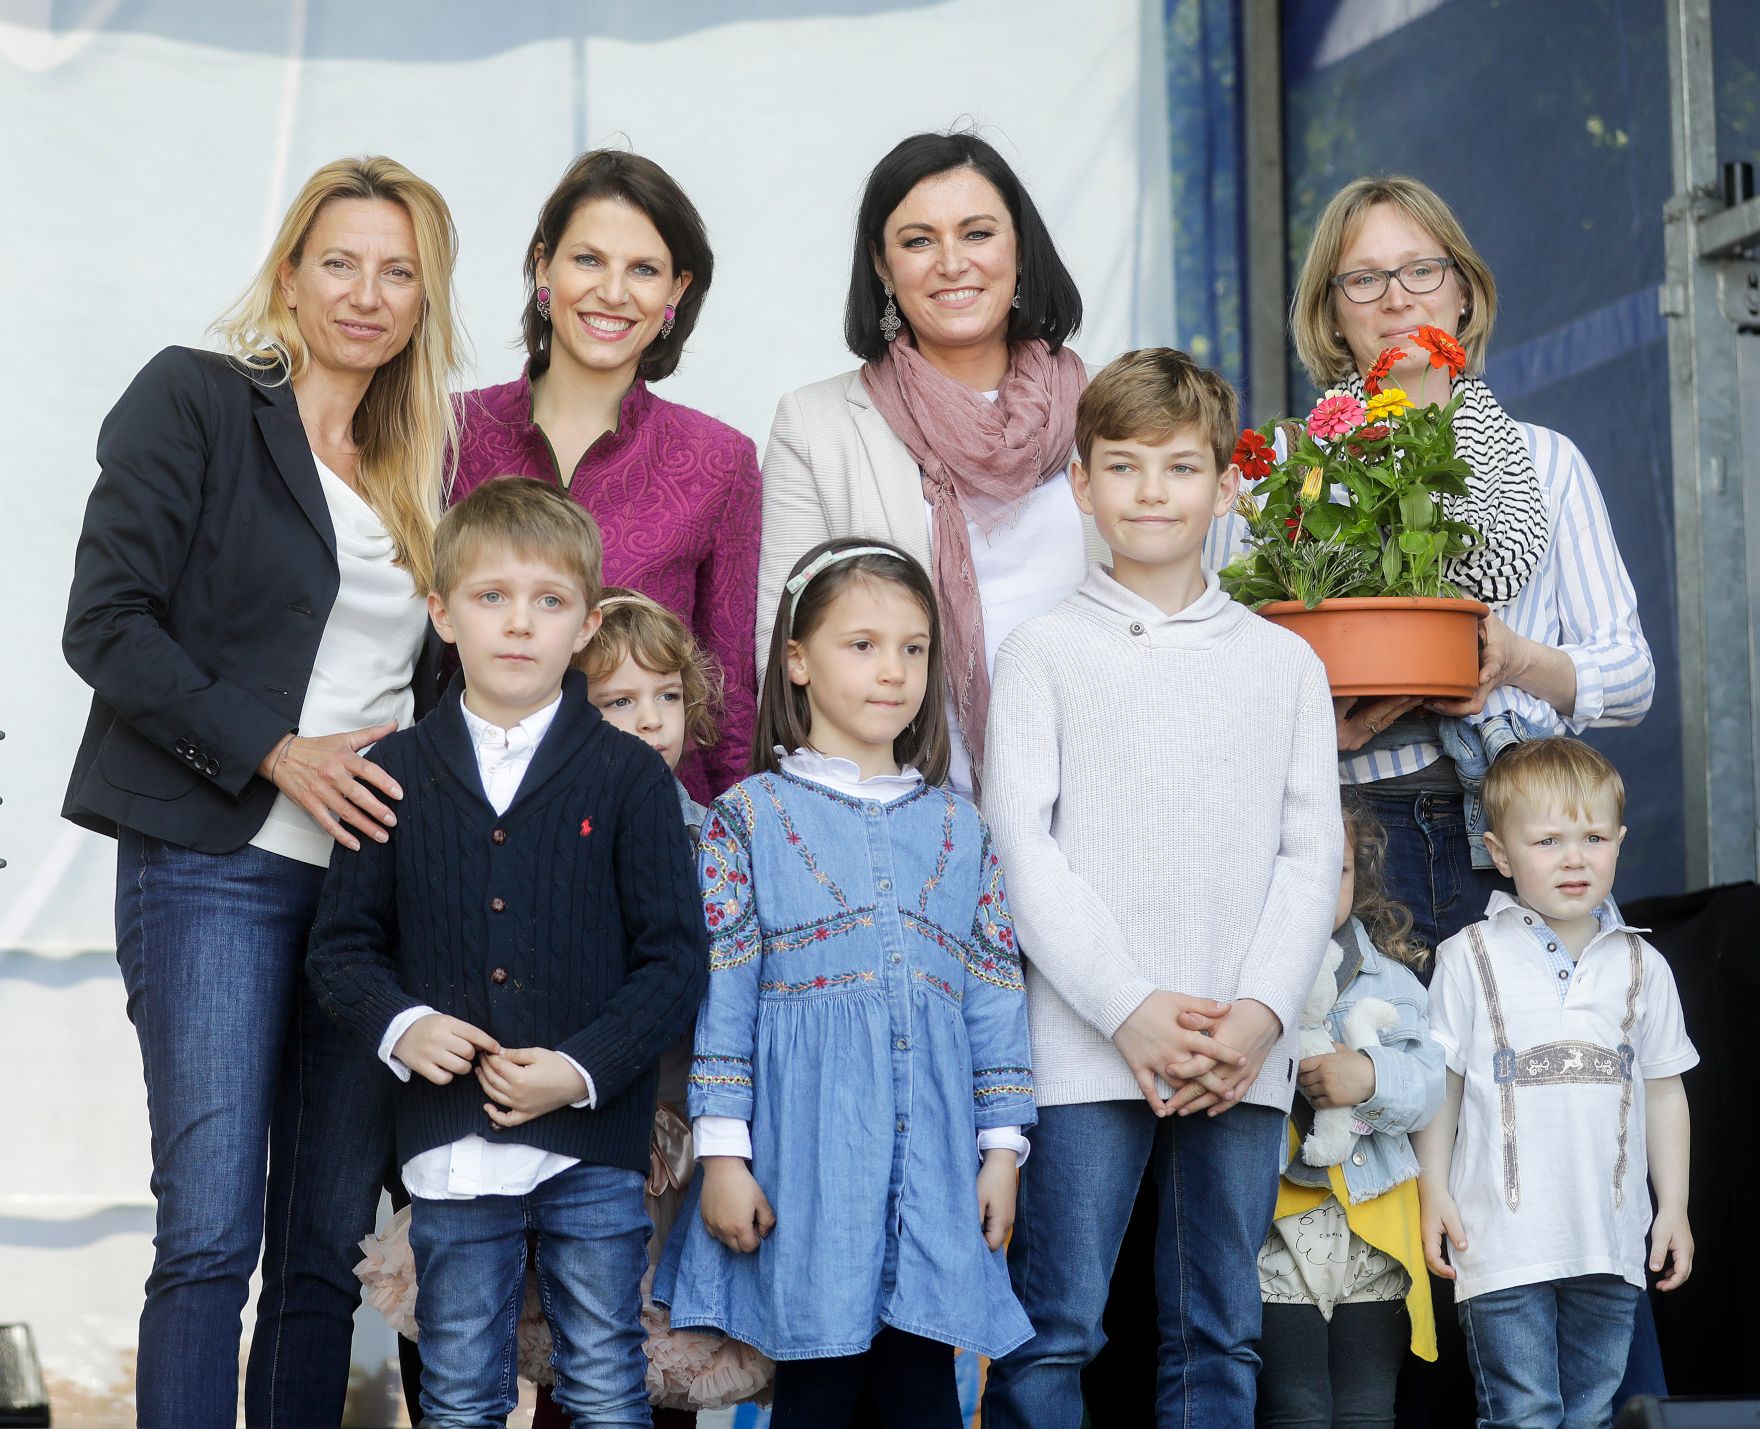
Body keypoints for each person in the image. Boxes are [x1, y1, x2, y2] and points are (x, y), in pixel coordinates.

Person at [61, 155, 464, 1429]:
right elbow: (107, 625)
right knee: (211, 1236)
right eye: (339, 261)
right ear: (288, 275)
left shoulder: (422, 465)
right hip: (212, 867)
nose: (367, 292)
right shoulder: (196, 400)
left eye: (398, 271)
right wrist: (278, 749)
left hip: (364, 894)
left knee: (321, 1255)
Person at [980, 349, 1342, 1428]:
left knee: (1217, 1329)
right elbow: (1020, 849)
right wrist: (1127, 1008)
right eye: (1123, 466)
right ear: (1080, 485)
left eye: (1179, 468)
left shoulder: (1283, 665)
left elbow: (1307, 853)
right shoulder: (1040, 653)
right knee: (1057, 1328)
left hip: (1242, 1046)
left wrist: (1259, 1016)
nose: (1150, 491)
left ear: (1225, 487)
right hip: (1088, 1044)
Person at [306, 477, 709, 1427]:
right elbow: (342, 950)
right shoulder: (393, 775)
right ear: (442, 612)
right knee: (458, 1390)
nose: (519, 624)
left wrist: (578, 1071)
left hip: (592, 1144)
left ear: (586, 622)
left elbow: (674, 961)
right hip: (450, 1151)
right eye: (492, 597)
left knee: (608, 1381)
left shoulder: (628, 778)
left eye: (549, 601)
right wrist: (403, 1026)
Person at [1206, 174, 1653, 955]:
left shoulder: (1548, 462)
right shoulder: (1281, 469)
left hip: (1524, 828)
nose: (1397, 298)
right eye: (1364, 279)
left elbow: (1631, 676)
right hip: (1346, 836)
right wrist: (1311, 721)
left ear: (1464, 295)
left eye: (1422, 269)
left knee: (1523, 1071)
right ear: (1332, 316)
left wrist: (1514, 659)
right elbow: (1211, 665)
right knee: (1372, 1071)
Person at [656, 537, 1037, 1428]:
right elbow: (728, 998)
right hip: (806, 1172)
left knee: (923, 1400)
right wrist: (724, 1157)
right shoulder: (748, 819)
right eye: (861, 644)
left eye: (913, 648)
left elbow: (993, 994)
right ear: (797, 659)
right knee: (818, 1401)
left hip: (939, 1174)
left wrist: (1001, 1150)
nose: (893, 670)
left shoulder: (960, 828)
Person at [758, 129, 1103, 798]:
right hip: (907, 814)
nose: (952, 263)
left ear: (1020, 247)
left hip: (1103, 801)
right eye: (918, 241)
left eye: (977, 233)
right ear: (883, 267)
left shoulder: (1103, 409)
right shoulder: (817, 426)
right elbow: (782, 656)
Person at [453, 148, 759, 804]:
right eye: (588, 259)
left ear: (677, 290)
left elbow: (731, 698)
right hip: (470, 824)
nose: (613, 293)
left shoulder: (720, 461)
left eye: (643, 269)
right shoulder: (449, 437)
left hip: (651, 836)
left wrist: (738, 855)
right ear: (544, 265)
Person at [1414, 737, 1695, 1429]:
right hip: (1500, 1244)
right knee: (1523, 1413)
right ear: (1500, 852)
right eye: (1547, 839)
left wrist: (1675, 1207)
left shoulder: (1643, 964)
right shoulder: (1468, 957)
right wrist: (1433, 1192)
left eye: (1594, 836)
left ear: (1620, 842)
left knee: (1593, 1413)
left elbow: (1664, 1091)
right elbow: (1439, 1087)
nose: (1575, 856)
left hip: (1609, 1242)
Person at [1256, 795, 1445, 1428]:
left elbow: (1428, 1087)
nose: (1316, 888)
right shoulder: (1241, 976)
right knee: (1296, 1408)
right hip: (1276, 1232)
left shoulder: (1391, 982)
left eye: (1334, 871)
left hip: (1373, 1230)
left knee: (1367, 1409)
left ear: (1357, 875)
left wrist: (1368, 1077)